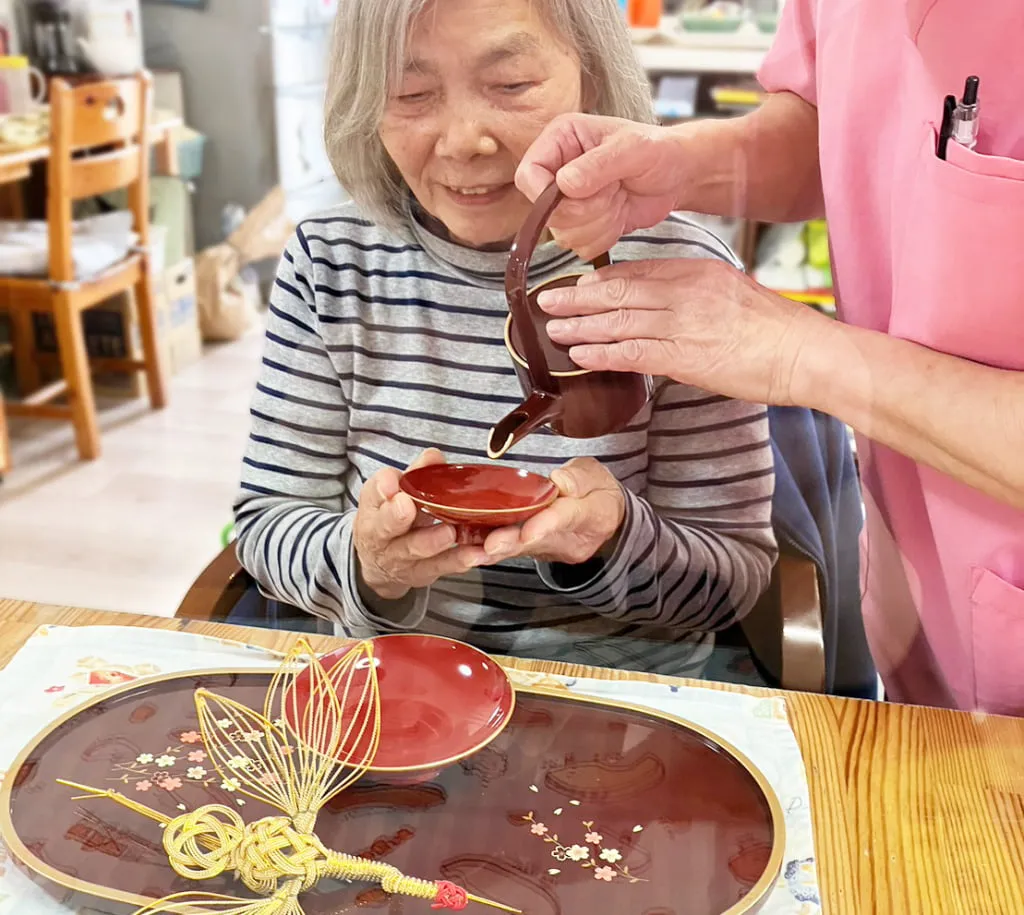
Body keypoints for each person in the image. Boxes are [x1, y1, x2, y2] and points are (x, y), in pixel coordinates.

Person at [232, 0, 777, 677]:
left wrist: (610, 542)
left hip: (618, 700)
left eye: (512, 85)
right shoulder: (333, 263)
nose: (464, 141)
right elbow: (267, 524)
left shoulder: (683, 276)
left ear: (594, 77)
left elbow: (735, 575)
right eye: (410, 93)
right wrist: (371, 564)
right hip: (395, 689)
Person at [514, 0, 1024, 712]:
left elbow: (729, 565)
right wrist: (682, 164)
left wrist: (796, 353)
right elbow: (846, 125)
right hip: (922, 607)